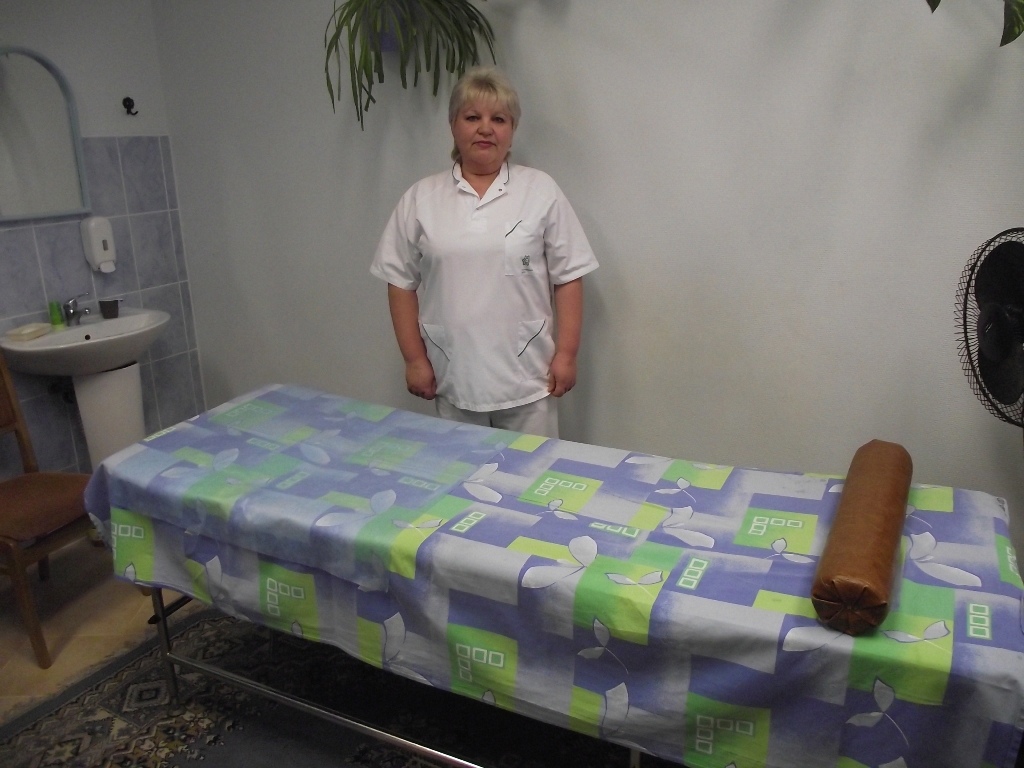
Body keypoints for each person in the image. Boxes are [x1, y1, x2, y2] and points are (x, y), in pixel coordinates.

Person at [371, 67, 598, 438]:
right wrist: (414, 359)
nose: (485, 129)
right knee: (462, 470)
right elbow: (399, 282)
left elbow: (569, 275)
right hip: (453, 374)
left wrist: (567, 354)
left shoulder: (540, 191)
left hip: (528, 376)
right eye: (472, 117)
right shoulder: (421, 199)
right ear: (453, 125)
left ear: (513, 129)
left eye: (499, 119)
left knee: (532, 469)